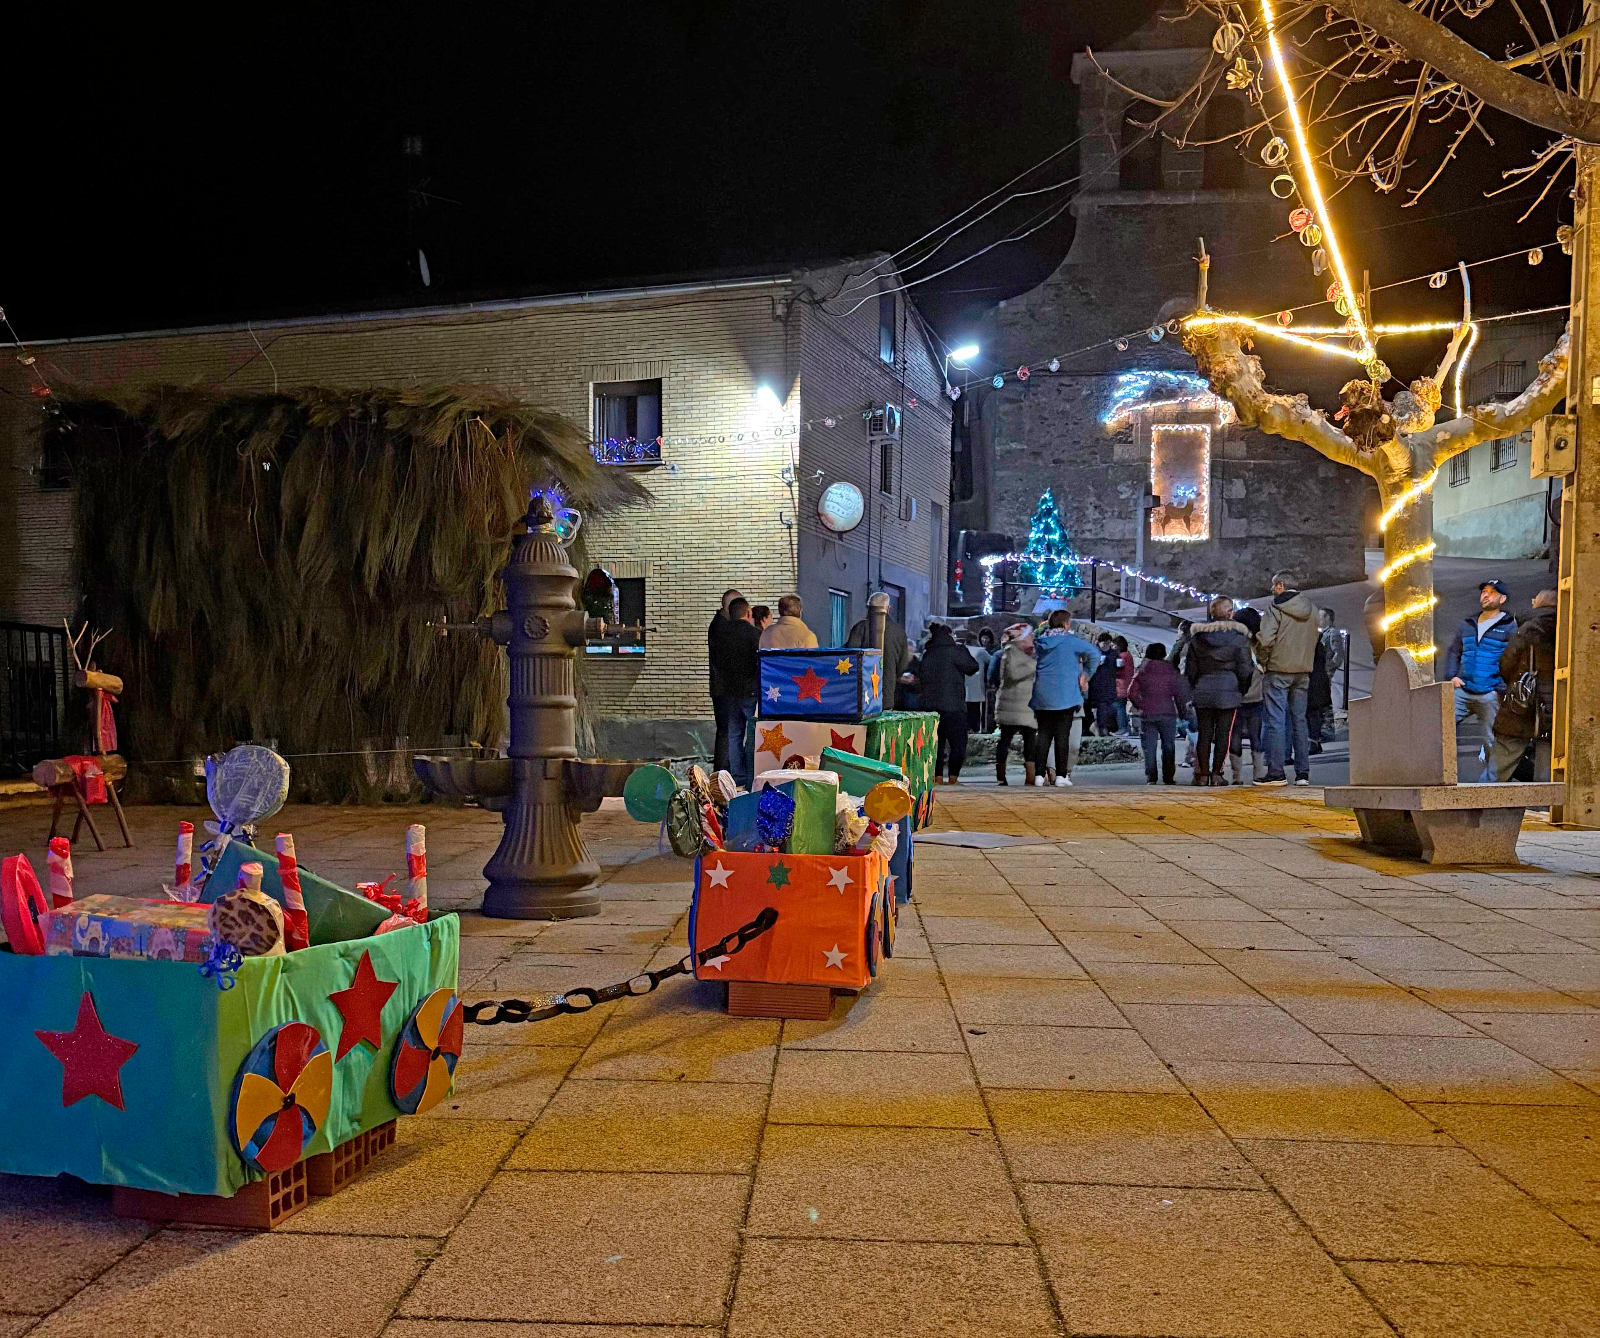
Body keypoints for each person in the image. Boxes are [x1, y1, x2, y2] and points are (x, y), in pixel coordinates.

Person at [1442, 578, 1517, 781]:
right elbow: (1453, 651)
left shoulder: (1510, 627)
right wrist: (1451, 677)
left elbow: (1515, 659)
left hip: (1490, 694)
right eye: (1484, 591)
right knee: (1439, 730)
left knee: (1492, 742)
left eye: (1492, 592)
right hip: (1463, 690)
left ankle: (1488, 788)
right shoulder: (1468, 624)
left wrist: (1500, 688)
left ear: (1502, 599)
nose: (1485, 595)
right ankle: (1441, 779)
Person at [1255, 571, 1319, 787]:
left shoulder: (1275, 609)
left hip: (1278, 669)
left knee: (1275, 720)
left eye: (1274, 585)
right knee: (1299, 721)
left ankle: (1276, 772)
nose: (1272, 589)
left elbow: (1265, 640)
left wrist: (1263, 661)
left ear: (1281, 585)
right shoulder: (1313, 610)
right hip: (1303, 671)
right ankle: (1303, 773)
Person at [1183, 597, 1255, 786]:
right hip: (1228, 689)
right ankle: (1217, 774)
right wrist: (1241, 688)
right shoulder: (1239, 638)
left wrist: (1193, 687)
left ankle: (1202, 774)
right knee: (1224, 733)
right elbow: (1246, 668)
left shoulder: (1198, 638)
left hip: (1203, 688)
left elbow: (1190, 668)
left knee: (1204, 733)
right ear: (1230, 612)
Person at [1490, 589, 1556, 782]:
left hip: (1521, 703)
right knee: (1548, 763)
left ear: (1540, 603)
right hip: (1554, 705)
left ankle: (1483, 805)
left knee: (1503, 757)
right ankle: (1544, 808)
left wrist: (1517, 684)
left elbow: (1506, 663)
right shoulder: (1568, 628)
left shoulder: (1528, 628)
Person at [1030, 610, 1103, 787]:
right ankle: (1061, 775)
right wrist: (1085, 675)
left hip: (1042, 694)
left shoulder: (1039, 642)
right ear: (1066, 624)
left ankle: (1039, 775)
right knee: (1062, 735)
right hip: (1066, 694)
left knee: (1043, 734)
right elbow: (1094, 654)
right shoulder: (1071, 642)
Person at [707, 597, 761, 787]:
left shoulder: (720, 634)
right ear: (748, 613)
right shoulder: (755, 635)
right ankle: (751, 776)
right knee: (753, 733)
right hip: (750, 690)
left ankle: (737, 777)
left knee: (734, 735)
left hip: (728, 692)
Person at [915, 623, 979, 783]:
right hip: (953, 706)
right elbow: (972, 667)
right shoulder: (956, 651)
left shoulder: (928, 653)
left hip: (929, 706)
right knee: (958, 742)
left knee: (936, 743)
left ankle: (937, 777)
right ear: (950, 635)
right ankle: (953, 776)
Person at [1128, 642, 1191, 785]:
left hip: (1147, 714)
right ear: (1163, 654)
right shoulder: (1171, 671)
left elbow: (1131, 692)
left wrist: (1141, 704)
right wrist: (1182, 713)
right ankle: (1168, 777)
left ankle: (1151, 777)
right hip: (1168, 713)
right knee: (1168, 745)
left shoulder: (1143, 670)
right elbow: (1180, 694)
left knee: (1149, 747)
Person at [845, 592, 910, 710]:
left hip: (861, 695)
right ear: (888, 609)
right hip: (886, 696)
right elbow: (903, 666)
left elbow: (849, 657)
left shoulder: (860, 628)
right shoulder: (899, 632)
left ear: (869, 608)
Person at [992, 624, 1038, 785]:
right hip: (1013, 704)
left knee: (1030, 741)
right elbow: (1013, 673)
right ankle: (1001, 776)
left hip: (1026, 704)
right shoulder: (1010, 652)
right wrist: (1034, 667)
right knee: (1006, 740)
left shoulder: (1027, 653)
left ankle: (1030, 777)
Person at [1229, 606, 1266, 784]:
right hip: (1256, 696)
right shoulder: (1258, 644)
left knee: (1234, 735)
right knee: (1256, 736)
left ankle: (1236, 776)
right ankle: (1258, 774)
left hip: (1235, 696)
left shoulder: (1233, 642)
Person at [708, 589, 742, 774]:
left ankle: (722, 771)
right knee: (726, 731)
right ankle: (722, 772)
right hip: (725, 688)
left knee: (726, 730)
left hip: (721, 687)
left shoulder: (718, 625)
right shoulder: (721, 627)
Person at [1085, 634, 1120, 735]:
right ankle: (1098, 728)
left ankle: (1099, 728)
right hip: (1095, 686)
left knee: (1106, 709)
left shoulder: (1113, 654)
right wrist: (1097, 665)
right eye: (1104, 643)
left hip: (1109, 686)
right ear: (1099, 643)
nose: (1106, 646)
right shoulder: (1093, 653)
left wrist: (1119, 666)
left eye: (1108, 643)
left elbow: (1116, 669)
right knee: (1100, 708)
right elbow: (1087, 668)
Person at [964, 632, 992, 733]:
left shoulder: (962, 650)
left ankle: (966, 729)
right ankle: (976, 730)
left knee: (965, 709)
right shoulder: (981, 652)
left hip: (963, 685)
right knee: (976, 710)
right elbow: (992, 661)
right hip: (977, 685)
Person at [1113, 635, 1137, 736]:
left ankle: (1123, 728)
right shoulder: (1128, 655)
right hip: (1126, 684)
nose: (1113, 647)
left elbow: (1118, 671)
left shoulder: (1122, 656)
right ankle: (1124, 728)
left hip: (1121, 686)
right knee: (1120, 706)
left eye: (1114, 645)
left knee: (1119, 707)